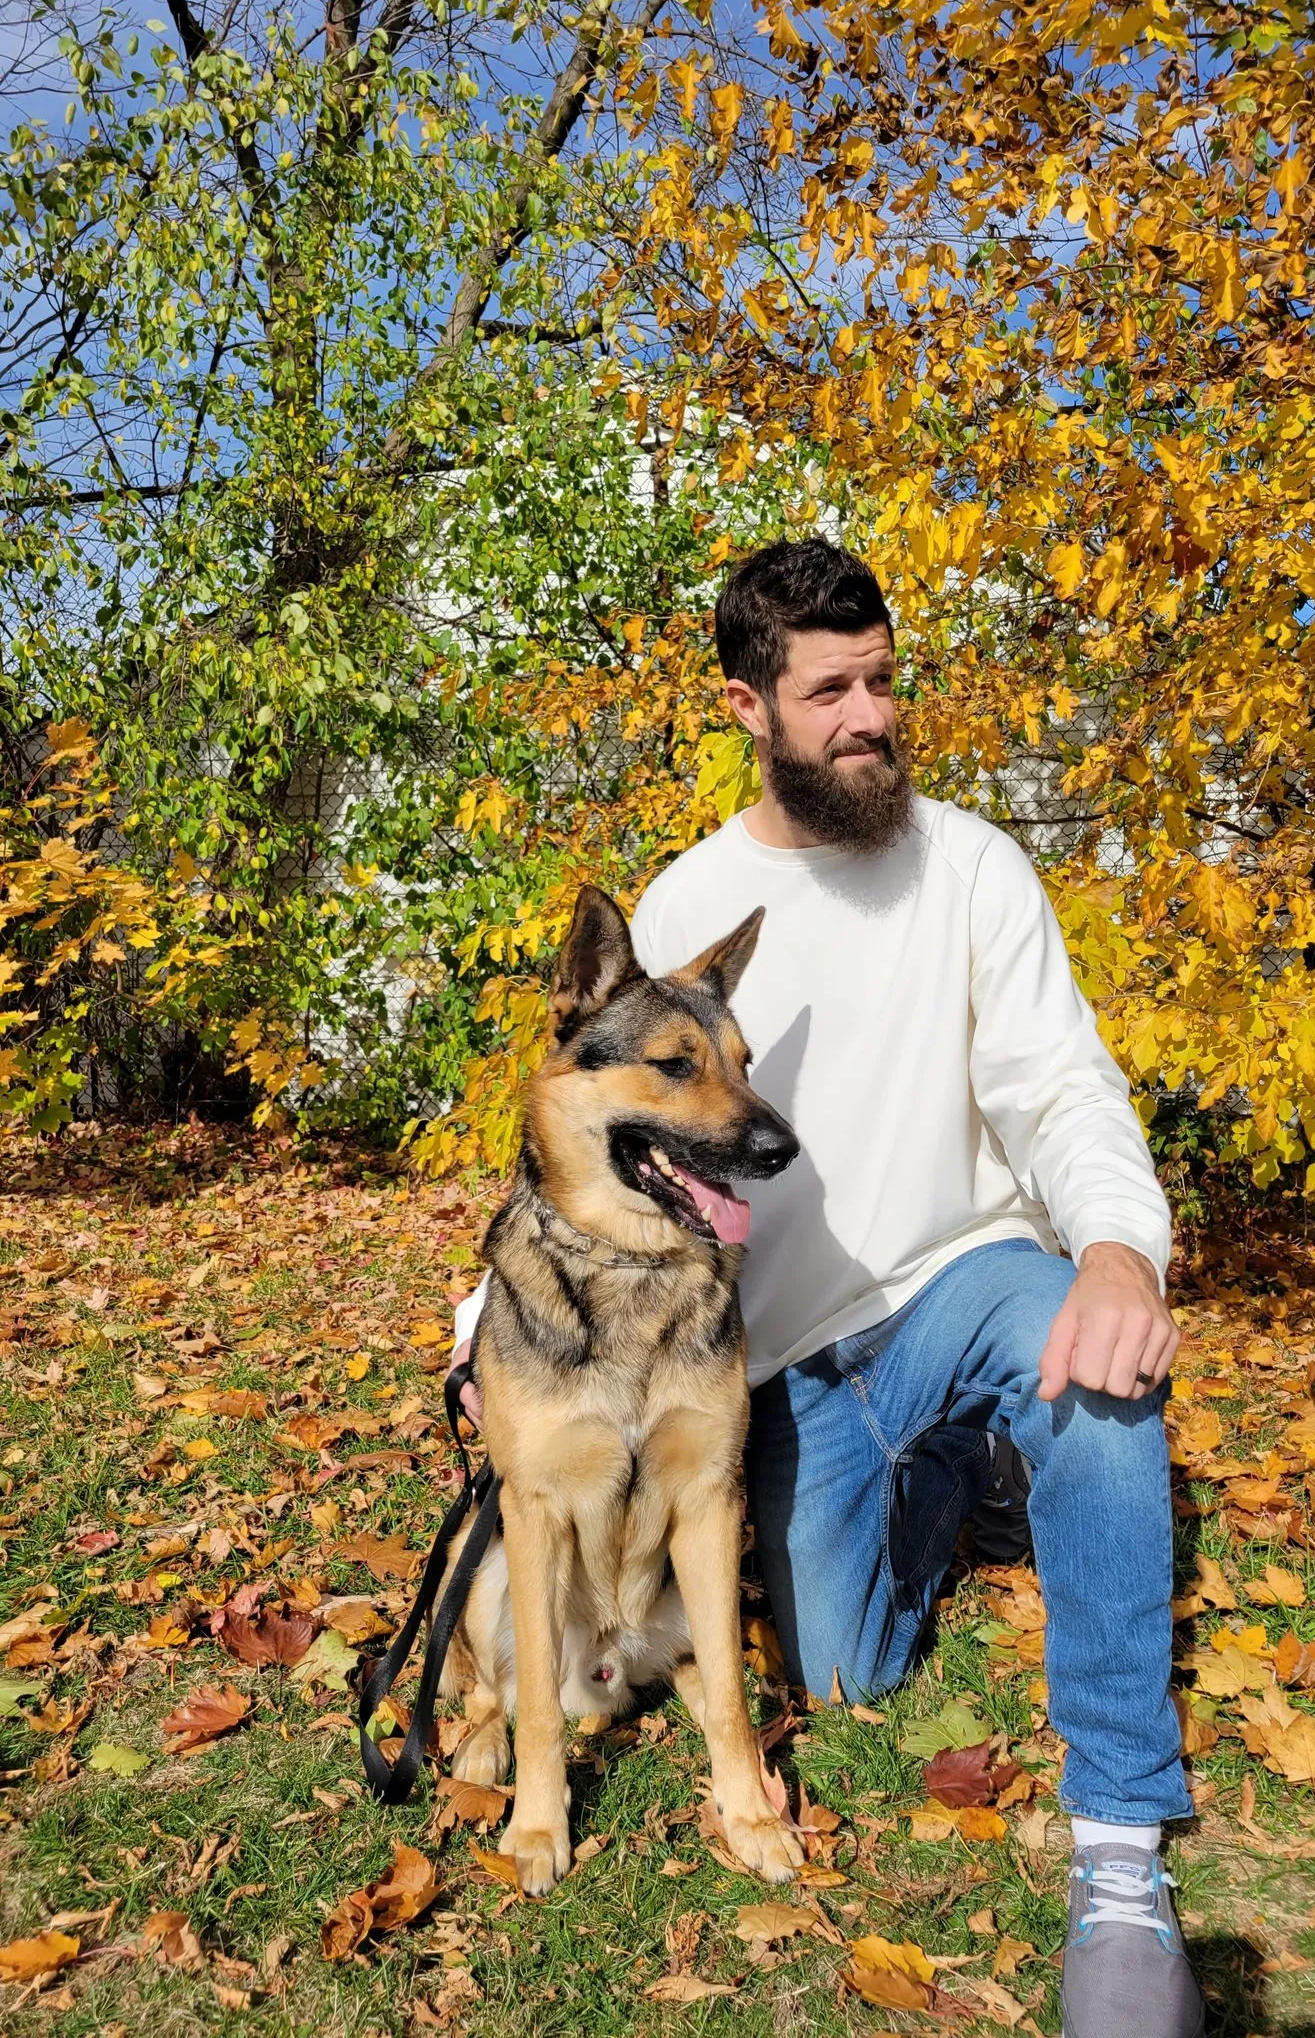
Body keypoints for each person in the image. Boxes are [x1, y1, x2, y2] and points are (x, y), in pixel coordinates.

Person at [452, 538, 1203, 2038]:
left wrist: (1118, 1244)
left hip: (959, 1277)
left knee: (1104, 1366)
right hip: (781, 1359)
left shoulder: (973, 863)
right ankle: (959, 1493)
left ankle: (1123, 1847)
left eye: (884, 681)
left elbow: (1061, 1088)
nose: (871, 717)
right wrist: (487, 1336)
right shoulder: (687, 901)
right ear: (749, 704)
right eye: (833, 692)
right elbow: (592, 1145)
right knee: (848, 1671)